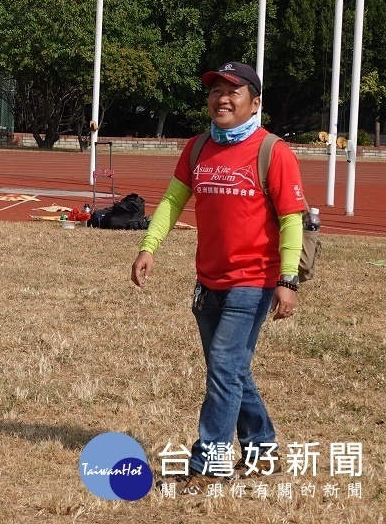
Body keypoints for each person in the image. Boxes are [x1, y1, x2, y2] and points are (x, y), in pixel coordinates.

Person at [131, 61, 306, 489]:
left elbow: (291, 219)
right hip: (208, 281)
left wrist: (287, 279)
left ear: (255, 102)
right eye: (215, 91)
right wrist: (148, 246)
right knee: (229, 371)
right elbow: (173, 202)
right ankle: (263, 449)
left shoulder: (273, 151)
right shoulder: (197, 148)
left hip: (254, 281)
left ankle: (208, 464)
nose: (221, 98)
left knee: (225, 368)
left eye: (233, 91)